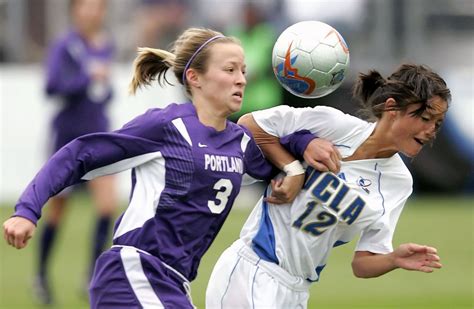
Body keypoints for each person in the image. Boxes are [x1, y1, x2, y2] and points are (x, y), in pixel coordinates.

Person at [3, 27, 315, 309]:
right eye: (230, 69)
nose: (241, 79)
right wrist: (27, 210)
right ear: (194, 77)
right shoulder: (166, 126)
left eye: (243, 71)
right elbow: (78, 154)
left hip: (173, 283)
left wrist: (304, 146)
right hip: (133, 272)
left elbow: (283, 151)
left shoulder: (240, 143)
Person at [206, 63, 451, 309]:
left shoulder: (398, 182)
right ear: (392, 109)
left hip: (297, 291)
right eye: (425, 118)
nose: (431, 130)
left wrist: (393, 259)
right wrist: (295, 167)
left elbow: (363, 264)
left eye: (437, 123)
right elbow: (250, 124)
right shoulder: (334, 125)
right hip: (254, 270)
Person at [35, 0, 118, 304]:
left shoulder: (106, 44)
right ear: (75, 10)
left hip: (99, 136)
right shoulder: (65, 46)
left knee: (107, 206)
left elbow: (104, 93)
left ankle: (91, 276)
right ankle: (41, 275)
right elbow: (52, 86)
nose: (92, 12)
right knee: (58, 210)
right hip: (68, 139)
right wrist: (87, 78)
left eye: (98, 7)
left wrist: (104, 87)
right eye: (87, 6)